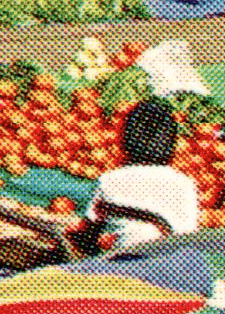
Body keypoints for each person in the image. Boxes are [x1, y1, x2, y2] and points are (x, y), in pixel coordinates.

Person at [77, 98, 202, 254]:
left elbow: (86, 236)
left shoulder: (110, 181)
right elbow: (188, 235)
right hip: (176, 270)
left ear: (126, 139)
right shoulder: (186, 184)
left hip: (126, 271)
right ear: (170, 143)